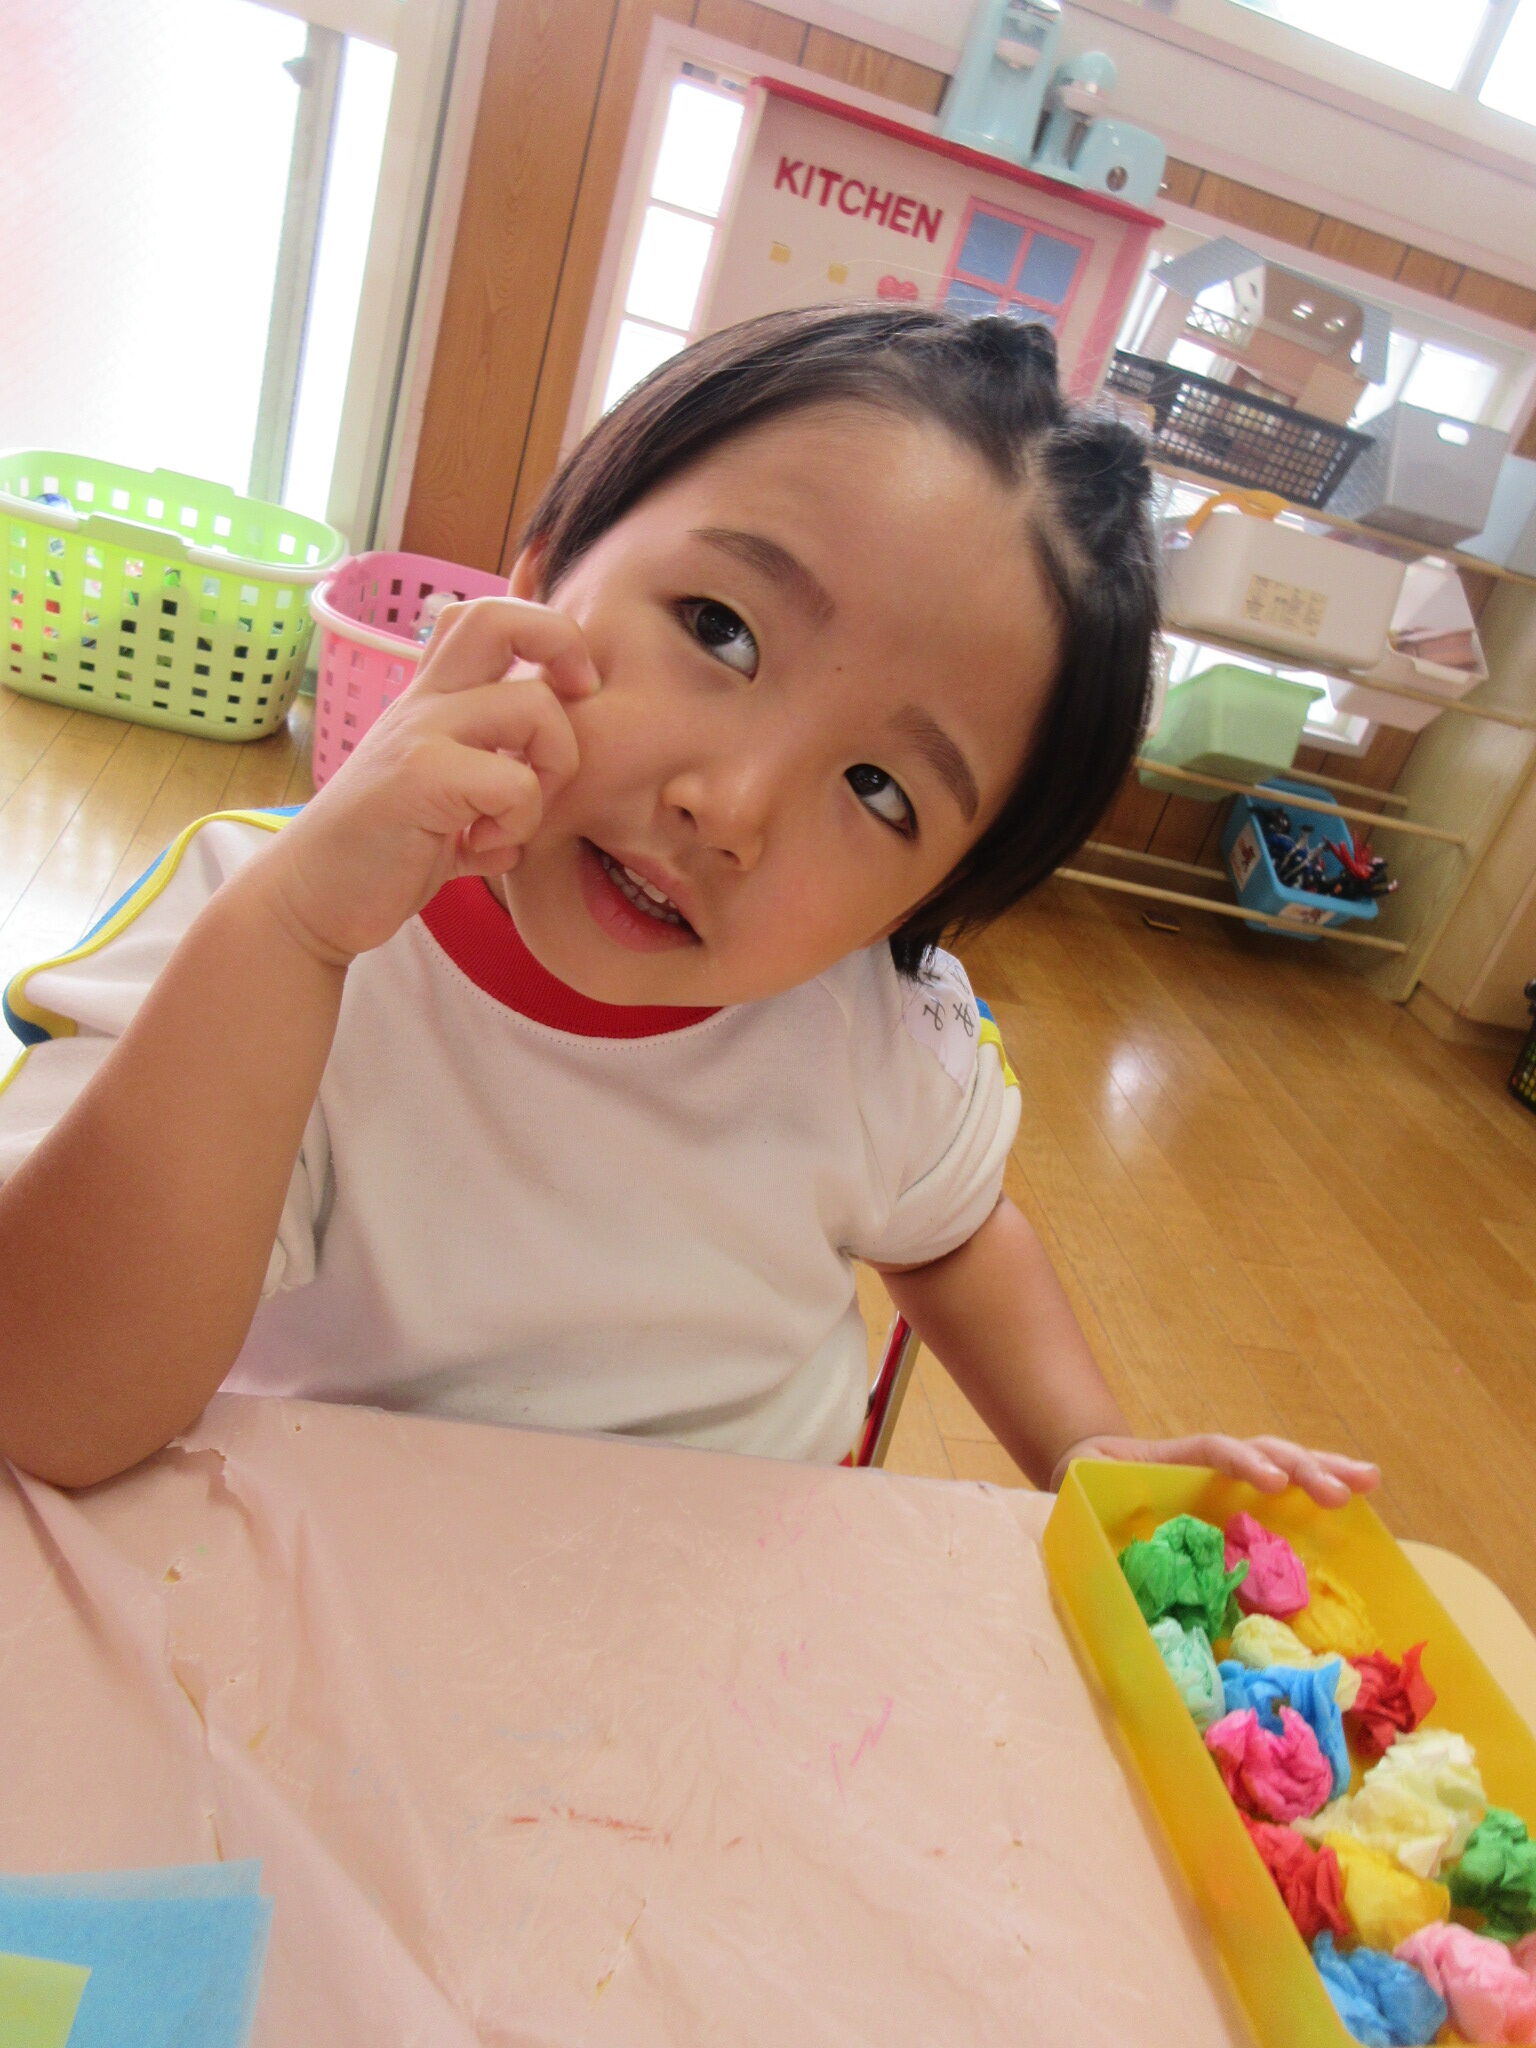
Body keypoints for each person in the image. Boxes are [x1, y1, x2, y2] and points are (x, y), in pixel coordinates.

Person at [0, 306, 1377, 1508]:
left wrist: (1085, 1449)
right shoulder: (261, 923)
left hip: (720, 1645)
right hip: (310, 1618)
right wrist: (295, 937)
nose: (733, 808)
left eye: (881, 792)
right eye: (721, 629)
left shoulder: (878, 1040)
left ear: (932, 896)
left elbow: (956, 1236)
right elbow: (51, 1402)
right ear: (542, 572)